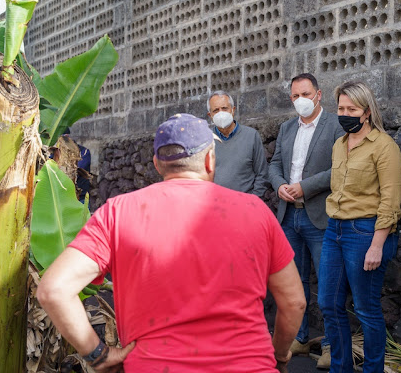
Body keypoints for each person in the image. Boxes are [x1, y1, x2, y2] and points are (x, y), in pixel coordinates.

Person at [37, 113, 306, 373]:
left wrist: (98, 355)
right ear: (211, 160)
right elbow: (294, 303)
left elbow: (53, 290)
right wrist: (279, 355)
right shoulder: (255, 211)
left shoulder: (118, 212)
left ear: (156, 164)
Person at [318, 81, 401, 373]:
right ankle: (340, 368)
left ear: (366, 112)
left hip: (366, 233)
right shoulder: (339, 144)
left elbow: (391, 201)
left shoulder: (384, 146)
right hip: (335, 231)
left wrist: (377, 245)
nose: (345, 114)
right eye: (341, 108)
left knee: (366, 310)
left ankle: (372, 370)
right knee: (329, 304)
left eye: (351, 109)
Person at [269, 73, 345, 368]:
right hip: (289, 215)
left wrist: (305, 187)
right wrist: (279, 186)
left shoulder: (336, 126)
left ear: (319, 94)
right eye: (295, 96)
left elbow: (339, 169)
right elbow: (275, 164)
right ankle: (297, 338)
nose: (300, 100)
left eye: (305, 93)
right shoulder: (287, 127)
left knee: (327, 282)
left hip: (319, 215)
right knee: (293, 281)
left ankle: (329, 345)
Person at [207, 90, 269, 198]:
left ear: (233, 110)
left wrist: (253, 201)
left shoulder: (251, 136)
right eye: (216, 110)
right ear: (210, 115)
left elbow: (262, 174)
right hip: (216, 207)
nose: (221, 113)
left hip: (245, 207)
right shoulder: (205, 140)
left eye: (225, 108)